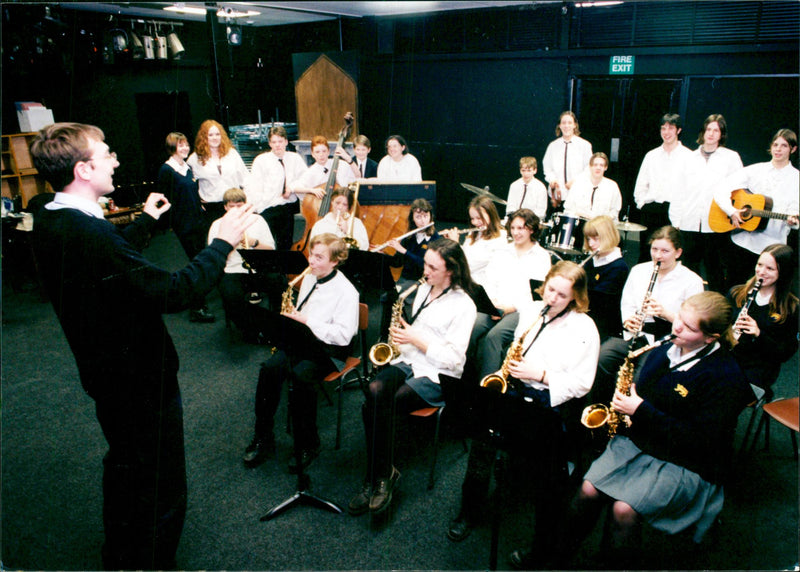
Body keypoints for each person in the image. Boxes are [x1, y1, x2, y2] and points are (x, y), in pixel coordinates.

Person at [29, 122, 257, 569]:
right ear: (83, 169)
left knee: (125, 468)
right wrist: (222, 242)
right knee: (161, 483)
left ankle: (119, 554)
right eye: (108, 154)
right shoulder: (91, 235)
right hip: (139, 380)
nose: (116, 160)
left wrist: (145, 222)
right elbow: (174, 291)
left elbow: (106, 262)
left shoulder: (52, 217)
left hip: (105, 373)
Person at [531, 292, 753, 570]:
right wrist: (631, 402)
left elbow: (700, 442)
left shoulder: (726, 377)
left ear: (711, 338)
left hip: (686, 461)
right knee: (587, 490)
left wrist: (640, 410)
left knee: (623, 510)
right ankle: (557, 557)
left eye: (689, 326)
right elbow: (645, 394)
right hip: (643, 438)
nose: (677, 327)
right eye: (679, 318)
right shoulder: (665, 348)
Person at [448, 261, 600, 549]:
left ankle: (542, 543)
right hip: (517, 388)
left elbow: (582, 383)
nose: (552, 299)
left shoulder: (585, 327)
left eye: (562, 296)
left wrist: (540, 375)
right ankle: (469, 511)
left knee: (543, 466)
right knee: (482, 442)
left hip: (551, 398)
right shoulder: (532, 310)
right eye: (550, 290)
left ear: (575, 298)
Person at [347, 238, 477, 516]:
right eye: (426, 264)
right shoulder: (422, 289)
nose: (424, 270)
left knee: (387, 401)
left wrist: (417, 340)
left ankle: (375, 478)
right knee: (373, 390)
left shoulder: (465, 306)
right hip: (410, 360)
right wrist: (402, 339)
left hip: (439, 374)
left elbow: (454, 360)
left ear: (451, 271)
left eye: (432, 267)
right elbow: (413, 337)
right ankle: (383, 473)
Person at [242, 233, 359, 471]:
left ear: (335, 261)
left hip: (331, 350)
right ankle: (263, 436)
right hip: (304, 338)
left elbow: (344, 336)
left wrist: (306, 320)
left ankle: (308, 444)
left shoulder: (347, 292)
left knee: (300, 376)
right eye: (311, 255)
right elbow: (303, 312)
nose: (311, 262)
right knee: (269, 369)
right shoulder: (310, 277)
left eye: (319, 257)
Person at [593, 226, 704, 403]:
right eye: (654, 249)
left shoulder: (692, 281)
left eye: (665, 251)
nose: (658, 256)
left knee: (640, 378)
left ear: (678, 252)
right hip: (635, 335)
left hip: (666, 341)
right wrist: (629, 321)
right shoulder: (639, 270)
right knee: (601, 359)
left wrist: (666, 313)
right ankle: (600, 407)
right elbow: (627, 304)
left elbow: (695, 324)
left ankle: (629, 418)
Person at [713, 128, 799, 287]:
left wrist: (793, 221)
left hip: (772, 247)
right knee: (734, 288)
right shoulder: (756, 170)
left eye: (784, 146)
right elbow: (720, 188)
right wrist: (731, 211)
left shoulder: (796, 178)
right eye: (775, 144)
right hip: (743, 241)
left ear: (793, 149)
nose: (778, 149)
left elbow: (794, 210)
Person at [472, 209, 552, 380]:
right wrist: (492, 301)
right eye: (513, 228)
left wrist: (510, 308)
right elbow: (489, 279)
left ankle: (487, 387)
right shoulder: (502, 251)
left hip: (521, 310)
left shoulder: (542, 256)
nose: (516, 232)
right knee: (472, 325)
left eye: (521, 228)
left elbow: (536, 295)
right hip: (495, 305)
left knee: (494, 337)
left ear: (531, 229)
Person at [670, 114, 742, 292]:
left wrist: (733, 212)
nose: (711, 134)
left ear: (721, 134)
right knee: (688, 268)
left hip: (716, 225)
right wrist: (676, 221)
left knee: (714, 269)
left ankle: (716, 309)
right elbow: (678, 191)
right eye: (708, 129)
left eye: (716, 130)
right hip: (689, 222)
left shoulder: (731, 158)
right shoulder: (688, 158)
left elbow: (739, 190)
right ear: (703, 131)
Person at [157, 131, 215, 323]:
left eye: (186, 145)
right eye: (180, 145)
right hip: (184, 225)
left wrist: (199, 203)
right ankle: (196, 308)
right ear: (172, 147)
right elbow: (164, 199)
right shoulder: (166, 170)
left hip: (198, 220)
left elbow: (192, 190)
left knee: (201, 259)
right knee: (196, 263)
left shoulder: (187, 167)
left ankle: (200, 300)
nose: (185, 148)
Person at [727, 244, 798, 399]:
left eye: (770, 269)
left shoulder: (791, 308)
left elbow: (784, 353)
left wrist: (759, 334)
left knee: (722, 391)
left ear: (783, 271)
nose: (761, 272)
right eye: (759, 265)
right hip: (729, 357)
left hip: (759, 367)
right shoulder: (737, 293)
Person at [207, 188, 276, 340]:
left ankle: (278, 324)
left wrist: (254, 242)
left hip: (258, 267)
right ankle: (250, 331)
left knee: (279, 282)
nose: (237, 210)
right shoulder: (217, 225)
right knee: (231, 296)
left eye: (240, 205)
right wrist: (229, 245)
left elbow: (271, 249)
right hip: (233, 270)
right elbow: (214, 257)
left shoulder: (258, 220)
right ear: (225, 207)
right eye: (232, 206)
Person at [633, 113, 693, 262]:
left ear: (678, 130)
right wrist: (642, 204)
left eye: (670, 128)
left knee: (670, 257)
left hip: (674, 212)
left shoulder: (689, 157)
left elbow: (691, 189)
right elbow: (640, 185)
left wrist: (680, 218)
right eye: (663, 128)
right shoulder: (651, 155)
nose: (666, 132)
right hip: (651, 210)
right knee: (646, 255)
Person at [246, 125, 308, 251]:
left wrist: (291, 187)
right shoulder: (261, 160)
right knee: (267, 243)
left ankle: (284, 269)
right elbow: (255, 186)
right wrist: (257, 208)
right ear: (269, 143)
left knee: (285, 243)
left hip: (286, 207)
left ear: (286, 141)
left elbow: (305, 178)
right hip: (267, 207)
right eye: (274, 142)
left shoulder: (294, 158)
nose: (277, 145)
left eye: (280, 141)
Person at [186, 119, 249, 228]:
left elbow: (245, 178)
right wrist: (197, 203)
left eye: (217, 134)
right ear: (204, 137)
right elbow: (188, 184)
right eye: (210, 135)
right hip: (211, 207)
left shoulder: (232, 153)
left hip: (234, 204)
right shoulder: (195, 158)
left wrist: (247, 199)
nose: (215, 138)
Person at [440, 195, 508, 286]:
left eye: (479, 218)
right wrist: (451, 242)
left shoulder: (500, 238)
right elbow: (464, 253)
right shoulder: (474, 233)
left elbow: (469, 265)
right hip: (465, 280)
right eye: (472, 218)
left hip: (481, 286)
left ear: (491, 215)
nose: (475, 223)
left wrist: (455, 244)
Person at [582, 215, 630, 341]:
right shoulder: (592, 260)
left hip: (603, 327)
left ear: (608, 236)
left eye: (596, 238)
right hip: (586, 317)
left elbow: (599, 301)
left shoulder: (619, 267)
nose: (591, 243)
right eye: (588, 239)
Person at [542, 110, 593, 214]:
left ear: (575, 125)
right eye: (563, 123)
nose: (566, 126)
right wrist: (552, 180)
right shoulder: (553, 146)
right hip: (557, 196)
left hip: (577, 195)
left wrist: (576, 181)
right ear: (559, 126)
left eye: (569, 123)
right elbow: (547, 168)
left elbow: (589, 168)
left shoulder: (584, 145)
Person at [289, 135, 356, 197]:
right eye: (317, 152)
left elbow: (356, 178)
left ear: (328, 152)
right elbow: (294, 187)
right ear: (312, 154)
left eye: (324, 151)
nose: (321, 155)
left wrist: (349, 159)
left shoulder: (341, 164)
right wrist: (312, 190)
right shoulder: (311, 171)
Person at [564, 152, 622, 220]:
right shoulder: (578, 184)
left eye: (601, 165)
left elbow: (614, 212)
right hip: (580, 225)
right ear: (590, 166)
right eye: (595, 165)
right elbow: (568, 208)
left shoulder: (612, 187)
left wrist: (600, 220)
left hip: (602, 226)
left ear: (605, 168)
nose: (598, 168)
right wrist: (581, 214)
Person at [309, 186, 369, 250]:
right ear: (332, 202)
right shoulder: (321, 224)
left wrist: (347, 231)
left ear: (348, 207)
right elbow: (313, 247)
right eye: (337, 203)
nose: (340, 207)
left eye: (344, 204)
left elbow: (365, 246)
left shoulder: (356, 223)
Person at [504, 156, 547, 222]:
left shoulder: (541, 187)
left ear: (535, 170)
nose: (526, 174)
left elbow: (541, 211)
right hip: (516, 220)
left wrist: (526, 220)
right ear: (520, 170)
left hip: (532, 221)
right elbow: (510, 207)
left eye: (529, 170)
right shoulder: (514, 185)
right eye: (523, 170)